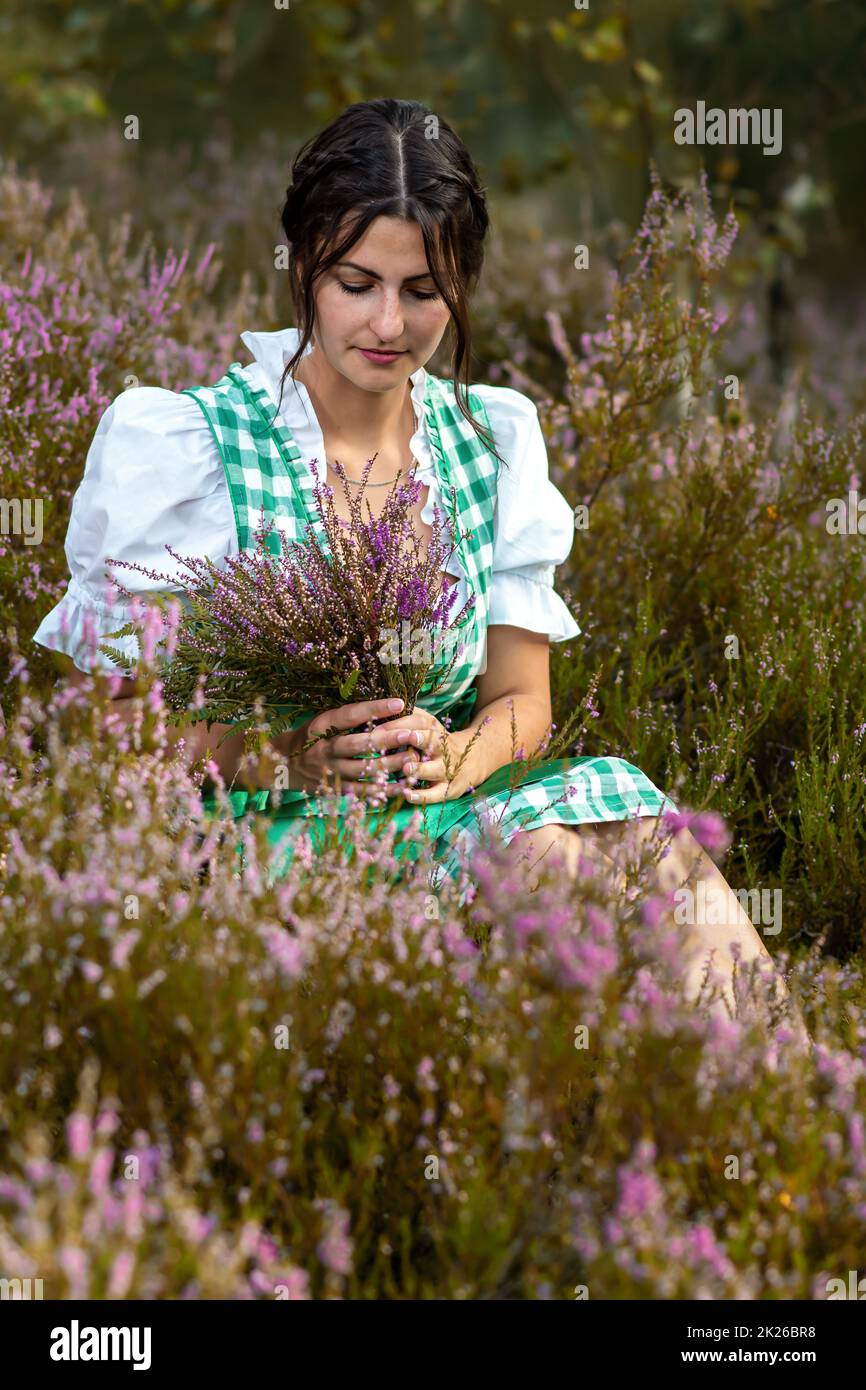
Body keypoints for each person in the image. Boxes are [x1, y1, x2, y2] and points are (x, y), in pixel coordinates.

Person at [33, 98, 808, 1043]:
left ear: (462, 287)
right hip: (266, 838)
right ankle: (682, 1097)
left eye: (424, 291)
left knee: (644, 838)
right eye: (357, 284)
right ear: (303, 268)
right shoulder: (186, 448)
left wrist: (456, 758)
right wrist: (291, 757)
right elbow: (111, 729)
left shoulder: (490, 442)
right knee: (546, 864)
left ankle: (783, 1092)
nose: (389, 323)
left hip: (443, 815)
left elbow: (521, 700)